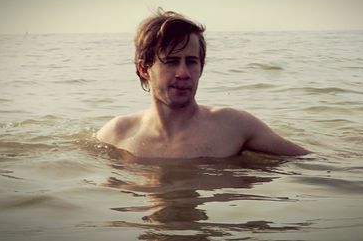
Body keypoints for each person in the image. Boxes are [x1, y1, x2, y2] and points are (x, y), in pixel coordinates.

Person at [96, 9, 310, 158]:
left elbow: (309, 162)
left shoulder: (234, 126)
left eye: (191, 62)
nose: (183, 73)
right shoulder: (117, 134)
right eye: (171, 62)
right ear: (144, 69)